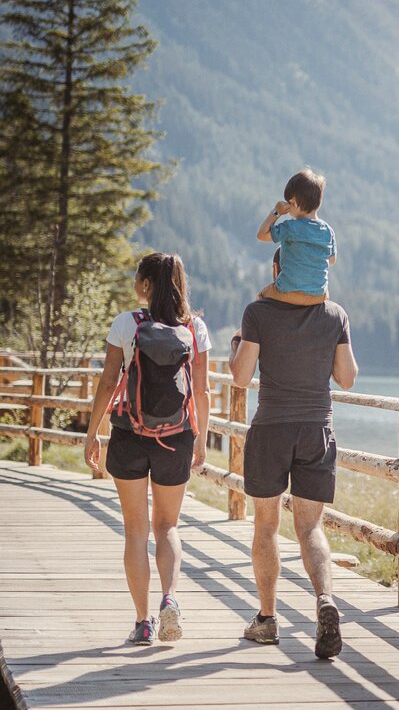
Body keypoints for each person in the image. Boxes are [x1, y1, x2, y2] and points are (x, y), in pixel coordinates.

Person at [229, 248, 358, 657]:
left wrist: (237, 343)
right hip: (317, 430)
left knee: (266, 526)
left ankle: (267, 621)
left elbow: (240, 376)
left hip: (271, 430)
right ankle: (324, 600)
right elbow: (348, 378)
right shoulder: (335, 314)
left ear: (277, 270)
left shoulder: (258, 312)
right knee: (310, 528)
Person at [84, 252, 211, 646]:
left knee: (136, 530)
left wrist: (91, 434)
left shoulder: (126, 324)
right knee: (168, 525)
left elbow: (108, 383)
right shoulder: (195, 328)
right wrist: (202, 438)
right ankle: (170, 598)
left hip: (128, 434)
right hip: (177, 437)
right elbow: (203, 390)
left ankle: (142, 623)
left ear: (145, 283)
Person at [256, 168, 336, 306]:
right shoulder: (328, 231)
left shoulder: (290, 227)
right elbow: (332, 260)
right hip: (318, 295)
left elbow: (261, 235)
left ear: (294, 202)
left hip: (287, 292)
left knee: (261, 298)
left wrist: (276, 212)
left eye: (289, 202)